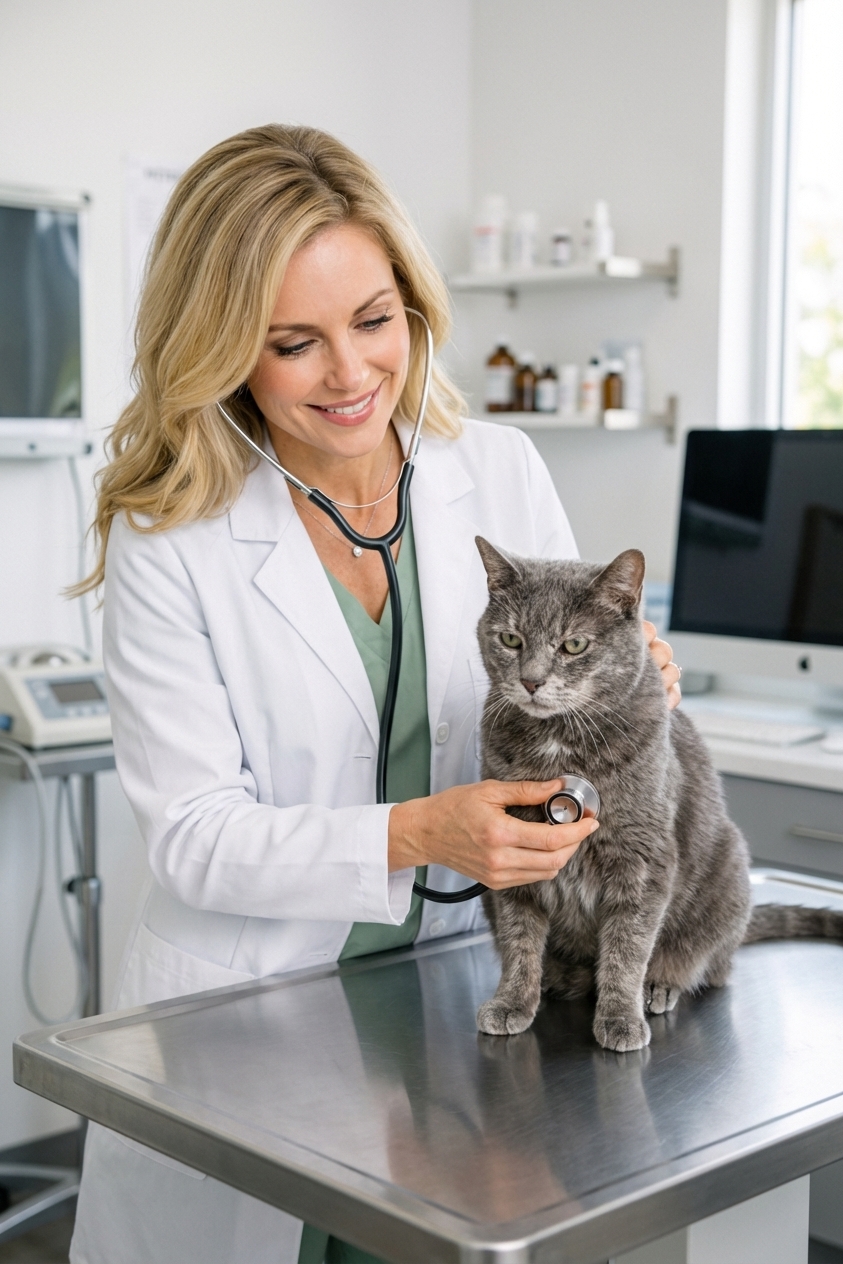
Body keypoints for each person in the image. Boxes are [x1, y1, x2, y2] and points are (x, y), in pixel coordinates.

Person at [69, 124, 681, 1264]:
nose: (352, 376)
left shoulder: (496, 468)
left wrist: (631, 696)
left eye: (374, 321)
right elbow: (198, 838)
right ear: (218, 348)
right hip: (253, 1022)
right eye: (292, 342)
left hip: (463, 1017)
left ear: (413, 304)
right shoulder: (171, 535)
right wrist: (419, 831)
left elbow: (575, 707)